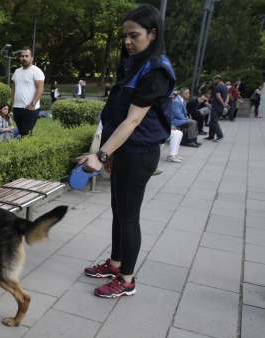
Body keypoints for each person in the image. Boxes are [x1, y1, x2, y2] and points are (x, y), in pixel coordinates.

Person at [78, 4, 175, 299]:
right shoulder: (136, 64)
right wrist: (112, 152)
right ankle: (115, 264)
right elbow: (119, 114)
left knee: (129, 216)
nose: (128, 42)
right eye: (125, 36)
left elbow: (133, 120)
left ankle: (127, 280)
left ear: (152, 34)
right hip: (126, 150)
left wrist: (101, 154)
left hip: (140, 153)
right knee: (119, 212)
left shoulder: (155, 69)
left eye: (135, 36)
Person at [11, 47, 45, 137]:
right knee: (21, 132)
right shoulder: (17, 72)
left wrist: (33, 104)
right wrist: (13, 104)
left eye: (27, 56)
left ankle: (26, 150)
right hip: (17, 108)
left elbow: (40, 88)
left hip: (29, 108)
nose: (24, 58)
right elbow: (13, 89)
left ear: (31, 58)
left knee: (26, 134)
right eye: (22, 56)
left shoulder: (36, 71)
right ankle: (22, 150)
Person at [203, 75, 229, 143]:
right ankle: (211, 136)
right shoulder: (225, 87)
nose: (213, 81)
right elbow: (228, 96)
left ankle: (220, 135)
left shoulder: (218, 87)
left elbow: (218, 97)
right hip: (220, 107)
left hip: (217, 107)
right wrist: (225, 104)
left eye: (214, 80)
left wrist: (223, 104)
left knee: (214, 122)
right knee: (212, 121)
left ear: (218, 79)